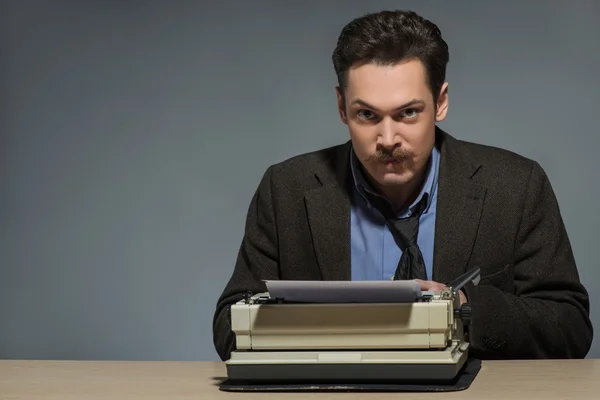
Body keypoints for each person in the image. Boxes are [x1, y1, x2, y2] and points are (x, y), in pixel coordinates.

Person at [212, 9, 593, 361]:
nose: (389, 138)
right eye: (367, 115)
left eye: (408, 112)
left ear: (440, 102)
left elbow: (570, 327)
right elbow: (229, 327)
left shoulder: (516, 185)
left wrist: (461, 306)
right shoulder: (286, 190)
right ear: (342, 107)